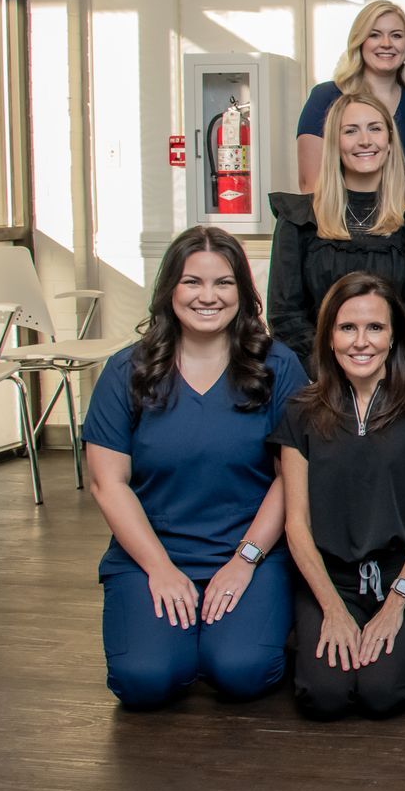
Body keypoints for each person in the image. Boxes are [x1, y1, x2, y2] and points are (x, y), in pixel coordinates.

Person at [82, 226, 307, 709]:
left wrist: (245, 561)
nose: (208, 296)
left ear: (243, 293)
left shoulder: (278, 367)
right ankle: (185, 642)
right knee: (144, 680)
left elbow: (291, 477)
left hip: (251, 550)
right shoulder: (127, 371)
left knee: (242, 671)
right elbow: (108, 484)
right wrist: (159, 569)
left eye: (223, 283)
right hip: (151, 553)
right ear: (169, 291)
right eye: (192, 282)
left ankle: (222, 635)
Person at [274, 273, 405, 719]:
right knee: (324, 696)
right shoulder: (300, 412)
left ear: (394, 337)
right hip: (332, 580)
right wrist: (331, 607)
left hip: (404, 577)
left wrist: (396, 604)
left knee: (380, 693)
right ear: (329, 337)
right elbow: (296, 522)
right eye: (347, 328)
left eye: (375, 328)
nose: (361, 342)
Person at [268, 92, 405, 369]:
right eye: (351, 131)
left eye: (375, 128)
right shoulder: (298, 219)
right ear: (335, 144)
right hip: (315, 376)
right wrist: (328, 369)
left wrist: (375, 370)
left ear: (390, 141)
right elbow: (285, 315)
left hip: (390, 376)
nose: (365, 141)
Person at [299, 0, 405, 191]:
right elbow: (311, 185)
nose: (386, 44)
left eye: (396, 35)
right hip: (338, 220)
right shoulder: (325, 98)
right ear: (359, 42)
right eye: (374, 35)